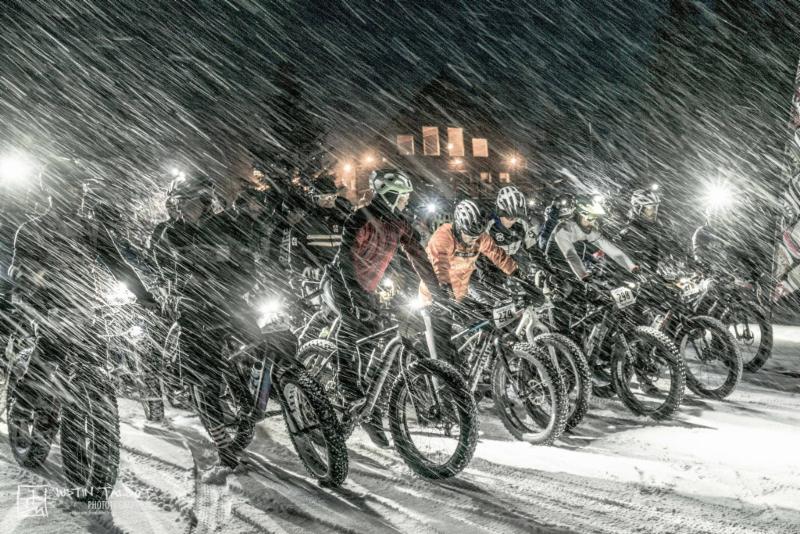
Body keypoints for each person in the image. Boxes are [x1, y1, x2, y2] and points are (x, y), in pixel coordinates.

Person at [8, 158, 158, 494]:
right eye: (70, 188)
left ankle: (90, 439)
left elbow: (118, 264)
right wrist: (32, 294)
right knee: (43, 360)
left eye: (80, 189)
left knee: (94, 368)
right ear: (50, 190)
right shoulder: (31, 230)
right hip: (49, 310)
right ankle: (24, 405)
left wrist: (144, 296)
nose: (77, 195)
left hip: (86, 311)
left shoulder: (91, 229)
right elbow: (20, 272)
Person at [155, 174, 262, 475]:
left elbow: (246, 264)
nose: (185, 208)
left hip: (231, 304)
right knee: (205, 380)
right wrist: (181, 287)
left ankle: (263, 398)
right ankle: (223, 446)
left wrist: (232, 281)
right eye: (181, 203)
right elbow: (165, 270)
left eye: (192, 202)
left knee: (267, 344)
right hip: (195, 311)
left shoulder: (226, 226)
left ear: (206, 202)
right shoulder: (169, 233)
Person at [330, 168, 443, 448]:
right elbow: (344, 260)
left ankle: (369, 408)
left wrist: (438, 290)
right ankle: (347, 389)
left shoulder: (399, 223)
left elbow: (417, 256)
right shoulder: (359, 219)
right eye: (403, 197)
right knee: (352, 328)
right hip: (342, 284)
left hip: (368, 289)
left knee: (377, 342)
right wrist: (354, 297)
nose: (406, 202)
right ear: (391, 195)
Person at [421, 199, 520, 374]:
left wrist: (517, 274)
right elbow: (439, 265)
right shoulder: (443, 236)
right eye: (469, 235)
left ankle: (480, 366)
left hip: (459, 295)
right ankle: (442, 382)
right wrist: (444, 289)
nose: (473, 240)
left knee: (490, 320)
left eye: (476, 236)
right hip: (435, 298)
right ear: (459, 227)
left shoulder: (478, 236)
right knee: (442, 358)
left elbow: (497, 254)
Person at [543, 194, 638, 333]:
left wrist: (632, 267)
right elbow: (571, 256)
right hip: (557, 265)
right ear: (580, 215)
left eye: (595, 219)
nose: (593, 223)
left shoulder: (588, 229)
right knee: (574, 292)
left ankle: (604, 325)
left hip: (578, 263)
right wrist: (584, 276)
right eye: (590, 218)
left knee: (605, 288)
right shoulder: (563, 229)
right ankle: (564, 332)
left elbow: (611, 249)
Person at [281, 174, 352, 279]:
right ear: (315, 197)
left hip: (346, 276)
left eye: (332, 196)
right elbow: (295, 258)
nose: (328, 199)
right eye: (323, 195)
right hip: (320, 279)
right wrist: (310, 270)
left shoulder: (344, 220)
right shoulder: (302, 226)